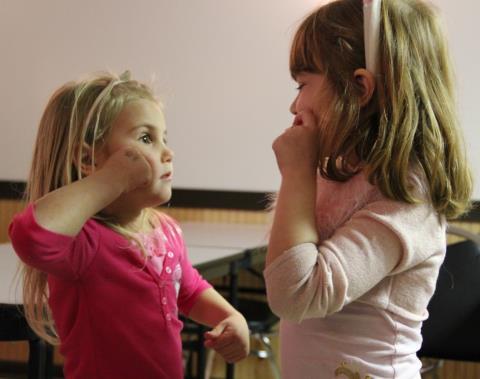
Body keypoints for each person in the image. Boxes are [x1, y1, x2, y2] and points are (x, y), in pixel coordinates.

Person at [264, 0, 472, 378]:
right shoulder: (337, 173)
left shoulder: (408, 195)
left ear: (359, 88)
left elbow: (294, 295)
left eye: (303, 84)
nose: (295, 103)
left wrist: (296, 173)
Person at [8, 71, 250, 379]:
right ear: (88, 158)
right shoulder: (84, 245)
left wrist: (230, 315)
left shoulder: (165, 229)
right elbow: (31, 237)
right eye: (146, 138)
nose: (167, 152)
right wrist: (111, 178)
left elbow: (188, 289)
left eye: (165, 137)